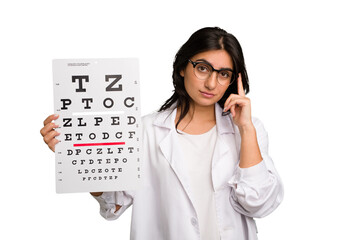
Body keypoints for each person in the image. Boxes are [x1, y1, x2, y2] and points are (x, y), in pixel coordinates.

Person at [41, 27, 284, 240]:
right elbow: (113, 203)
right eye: (202, 68)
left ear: (234, 80)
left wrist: (246, 128)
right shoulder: (144, 131)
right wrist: (80, 156)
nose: (211, 83)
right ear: (182, 68)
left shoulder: (248, 130)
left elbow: (258, 204)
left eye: (223, 74)